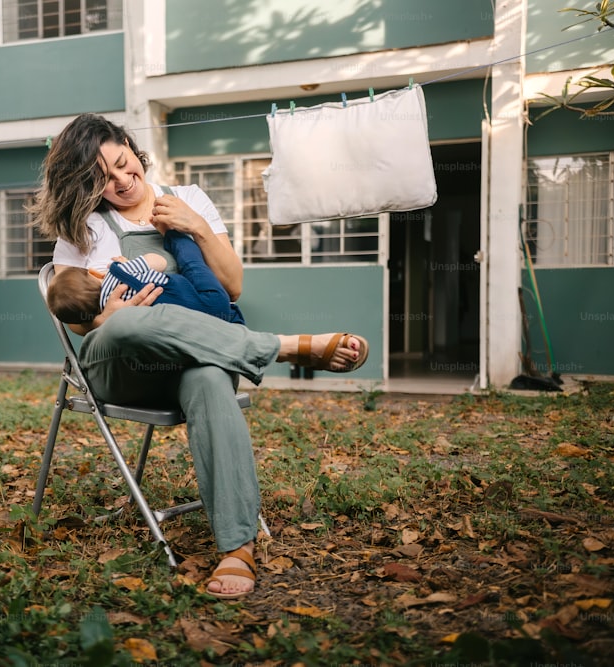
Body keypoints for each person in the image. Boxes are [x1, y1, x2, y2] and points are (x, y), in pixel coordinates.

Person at [29, 113, 368, 599]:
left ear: (130, 145)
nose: (124, 182)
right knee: (126, 321)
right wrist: (113, 313)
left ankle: (237, 547)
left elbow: (230, 287)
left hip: (190, 353)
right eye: (105, 179)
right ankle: (284, 348)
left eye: (125, 165)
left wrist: (197, 229)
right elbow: (72, 312)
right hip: (120, 363)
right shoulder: (83, 226)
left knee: (210, 377)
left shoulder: (188, 198)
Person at [47, 228, 246, 326]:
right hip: (206, 297)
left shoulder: (115, 316)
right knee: (192, 263)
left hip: (193, 325)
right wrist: (127, 264)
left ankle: (233, 320)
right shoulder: (118, 271)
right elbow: (158, 262)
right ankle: (174, 235)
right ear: (91, 273)